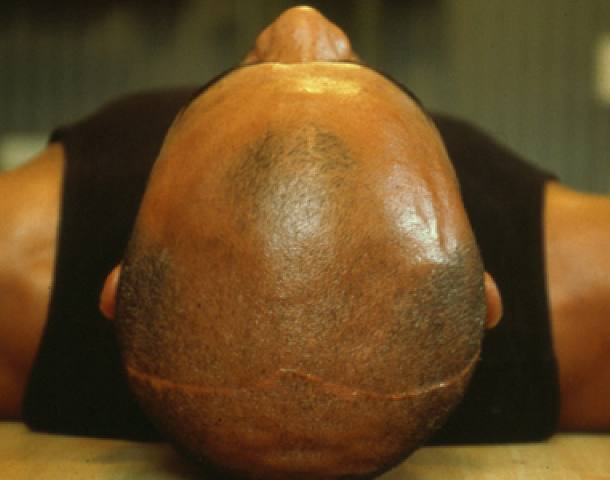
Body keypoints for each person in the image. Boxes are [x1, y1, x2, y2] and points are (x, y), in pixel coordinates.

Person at [0, 5, 608, 479]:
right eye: (359, 73)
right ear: (486, 302)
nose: (303, 23)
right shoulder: (586, 283)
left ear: (116, 291)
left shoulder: (20, 258)